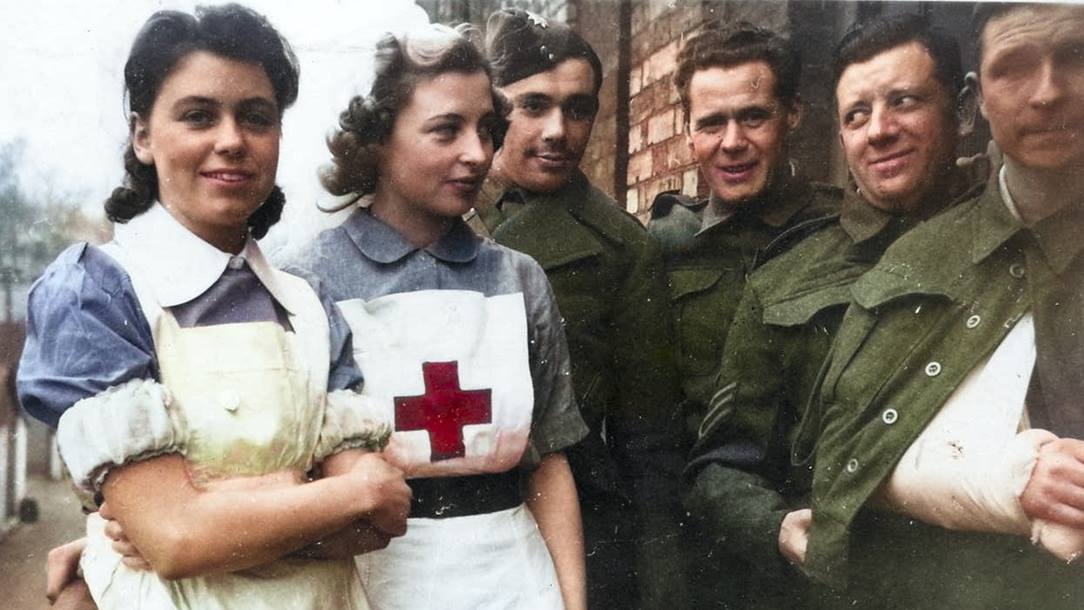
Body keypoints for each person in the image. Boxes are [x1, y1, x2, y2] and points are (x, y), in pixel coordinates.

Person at [17, 5, 411, 609]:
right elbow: (176, 539)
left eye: (256, 117)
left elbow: (375, 524)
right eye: (199, 115)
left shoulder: (307, 305)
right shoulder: (97, 291)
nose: (231, 141)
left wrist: (215, 515)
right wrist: (333, 493)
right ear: (143, 135)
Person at [284, 24, 588, 610]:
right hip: (373, 575)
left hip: (514, 577)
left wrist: (572, 602)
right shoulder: (308, 282)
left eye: (486, 130)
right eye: (446, 130)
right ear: (377, 139)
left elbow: (548, 461)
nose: (476, 153)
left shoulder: (518, 279)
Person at [684, 15, 979, 609]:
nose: (880, 131)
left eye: (904, 102)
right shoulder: (789, 274)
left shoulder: (1016, 248)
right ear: (840, 135)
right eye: (856, 115)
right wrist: (776, 527)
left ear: (964, 111)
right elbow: (722, 465)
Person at [805, 3, 1084, 608]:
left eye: (1077, 57)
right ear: (977, 97)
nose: (1048, 92)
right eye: (1013, 68)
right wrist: (1009, 480)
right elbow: (841, 468)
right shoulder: (918, 259)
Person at [468, 9, 685, 608]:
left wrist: (659, 584)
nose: (559, 130)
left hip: (574, 526)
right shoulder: (432, 213)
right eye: (533, 105)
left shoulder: (621, 246)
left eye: (579, 108)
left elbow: (649, 435)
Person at [647, 22, 842, 441]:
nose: (732, 142)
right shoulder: (664, 245)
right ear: (687, 134)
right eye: (711, 124)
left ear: (792, 114)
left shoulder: (842, 230)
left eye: (753, 117)